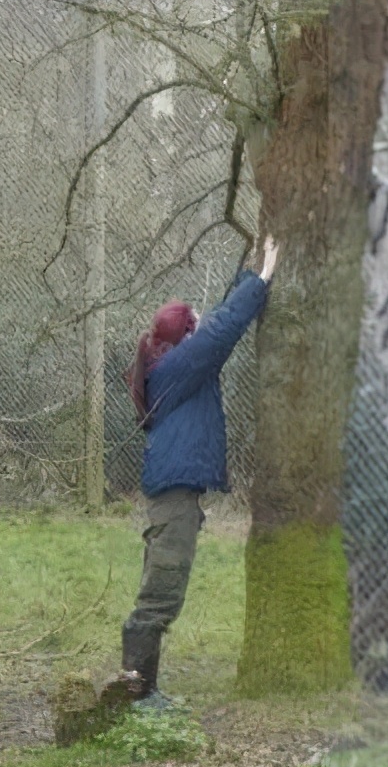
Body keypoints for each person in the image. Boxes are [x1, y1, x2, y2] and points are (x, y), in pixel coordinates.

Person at [118, 237, 278, 710]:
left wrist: (246, 271)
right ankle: (137, 695)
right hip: (174, 497)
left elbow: (215, 322)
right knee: (162, 591)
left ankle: (140, 690)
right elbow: (223, 329)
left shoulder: (170, 361)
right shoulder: (180, 365)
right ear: (183, 337)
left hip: (174, 495)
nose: (199, 328)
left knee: (162, 586)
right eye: (193, 327)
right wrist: (264, 276)